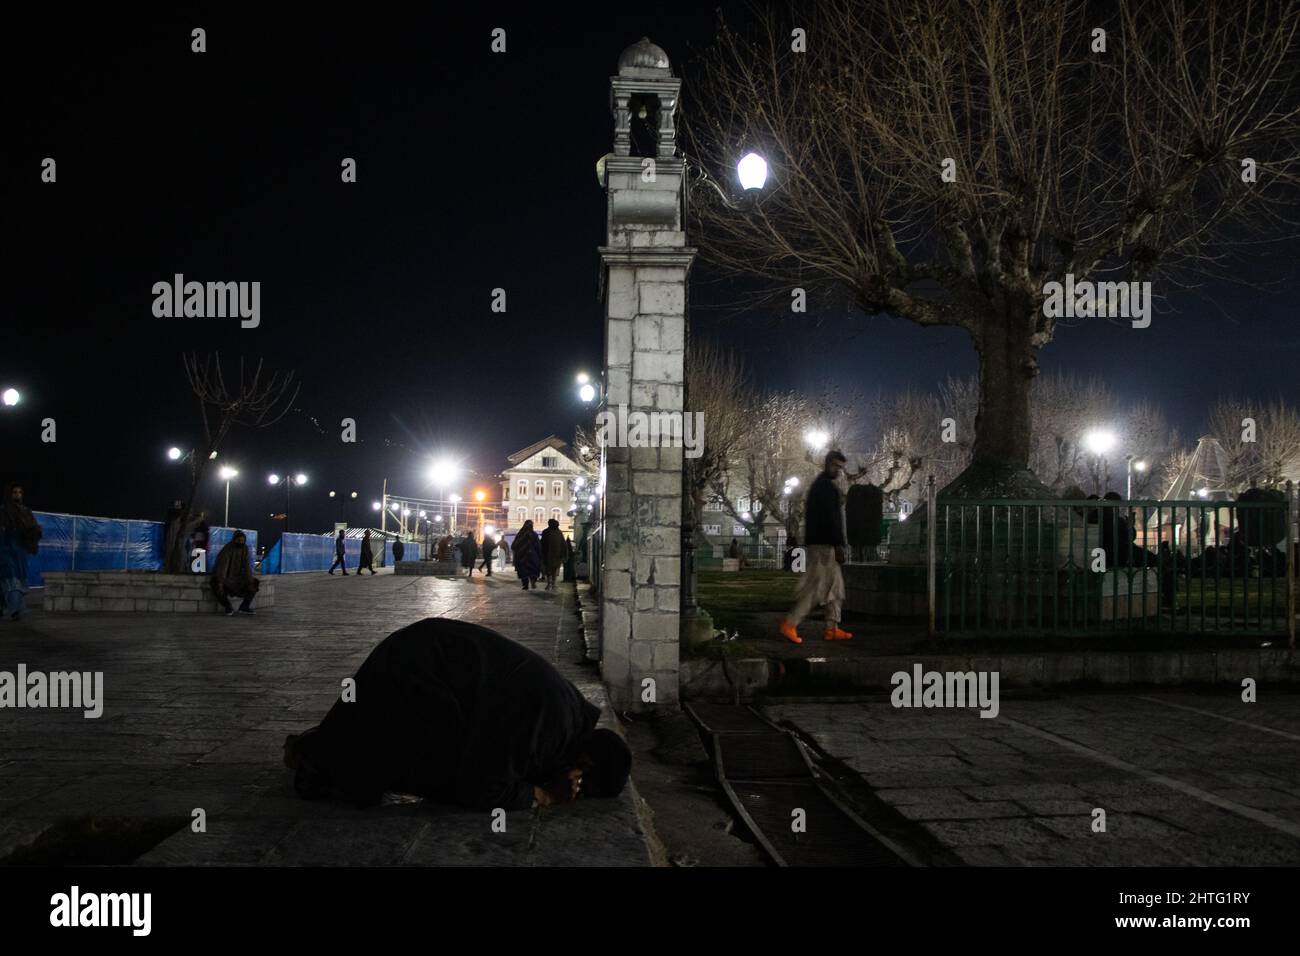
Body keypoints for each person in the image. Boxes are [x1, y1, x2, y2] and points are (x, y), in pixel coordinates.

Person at [283, 618, 633, 810]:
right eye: (582, 786)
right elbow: (481, 787)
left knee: (375, 740)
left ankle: (321, 745)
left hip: (428, 654)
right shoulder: (550, 730)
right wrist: (543, 795)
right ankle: (314, 755)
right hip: (421, 669)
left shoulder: (567, 716)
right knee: (368, 781)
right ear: (584, 764)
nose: (575, 790)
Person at [779, 450, 853, 645]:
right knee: (817, 588)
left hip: (822, 543)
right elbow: (832, 520)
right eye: (837, 466)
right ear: (828, 464)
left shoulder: (821, 487)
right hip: (823, 545)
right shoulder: (825, 489)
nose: (839, 471)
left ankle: (832, 628)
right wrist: (838, 545)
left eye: (841, 467)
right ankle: (790, 623)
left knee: (836, 588)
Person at [0, 483, 42, 621]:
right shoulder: (4, 510)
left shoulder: (26, 511)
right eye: (14, 492)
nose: (17, 494)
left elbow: (33, 528)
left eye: (19, 492)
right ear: (10, 494)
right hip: (6, 548)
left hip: (20, 550)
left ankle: (15, 609)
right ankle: (13, 610)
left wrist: (35, 531)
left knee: (17, 578)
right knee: (9, 578)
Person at [210, 530, 259, 616]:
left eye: (242, 541)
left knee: (254, 583)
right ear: (234, 540)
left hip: (237, 578)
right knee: (215, 584)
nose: (241, 542)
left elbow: (246, 566)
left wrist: (250, 580)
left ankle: (244, 607)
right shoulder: (227, 549)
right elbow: (222, 568)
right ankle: (228, 607)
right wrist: (221, 583)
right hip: (226, 578)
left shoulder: (245, 549)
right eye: (239, 540)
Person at [511, 519, 542, 590]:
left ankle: (525, 585)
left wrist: (518, 551)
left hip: (522, 556)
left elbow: (514, 545)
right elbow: (538, 546)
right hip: (532, 556)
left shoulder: (520, 534)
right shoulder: (534, 534)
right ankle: (533, 582)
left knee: (523, 570)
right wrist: (539, 555)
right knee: (533, 569)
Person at [541, 518, 566, 591]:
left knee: (549, 570)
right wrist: (564, 552)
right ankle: (553, 584)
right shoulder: (559, 532)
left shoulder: (545, 532)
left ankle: (549, 584)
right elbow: (563, 543)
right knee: (554, 569)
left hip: (548, 554)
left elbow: (542, 543)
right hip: (555, 554)